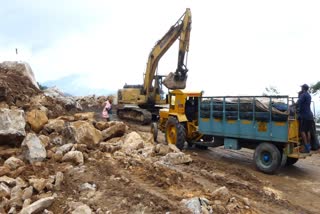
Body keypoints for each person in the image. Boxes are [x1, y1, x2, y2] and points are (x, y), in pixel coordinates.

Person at [297, 84, 314, 153]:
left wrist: (292, 105)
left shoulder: (303, 95)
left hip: (304, 116)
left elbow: (298, 103)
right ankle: (309, 146)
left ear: (303, 88)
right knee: (308, 131)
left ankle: (306, 147)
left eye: (301, 87)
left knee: (302, 131)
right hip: (310, 115)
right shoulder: (309, 95)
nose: (301, 88)